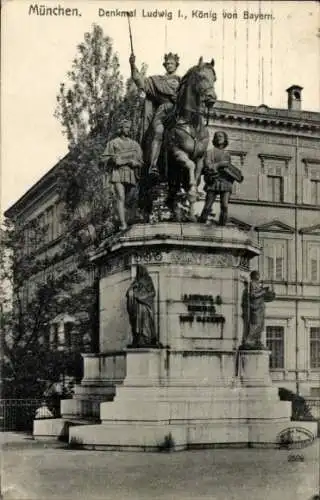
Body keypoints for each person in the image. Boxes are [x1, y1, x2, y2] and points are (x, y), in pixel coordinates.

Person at [129, 52, 181, 177]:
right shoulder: (157, 80)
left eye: (172, 63)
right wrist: (132, 65)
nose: (169, 65)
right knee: (158, 131)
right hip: (163, 111)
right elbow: (140, 81)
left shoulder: (182, 81)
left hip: (179, 112)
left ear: (176, 65)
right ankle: (153, 165)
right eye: (167, 63)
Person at [101, 119, 143, 230]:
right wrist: (112, 159)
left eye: (129, 127)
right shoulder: (113, 143)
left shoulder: (135, 145)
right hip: (118, 173)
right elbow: (103, 158)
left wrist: (136, 163)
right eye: (126, 127)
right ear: (120, 129)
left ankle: (129, 219)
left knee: (131, 198)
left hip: (131, 173)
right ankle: (123, 223)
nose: (128, 130)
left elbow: (141, 162)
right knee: (120, 196)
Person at [199, 131, 243, 226]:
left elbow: (230, 169)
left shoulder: (227, 154)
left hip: (226, 182)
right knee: (208, 205)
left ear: (225, 139)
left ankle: (222, 226)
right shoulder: (210, 152)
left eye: (221, 136)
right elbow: (208, 166)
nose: (219, 138)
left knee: (224, 206)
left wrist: (233, 174)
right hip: (213, 180)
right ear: (214, 139)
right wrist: (219, 164)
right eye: (217, 136)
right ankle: (200, 225)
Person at [126, 265, 158, 347]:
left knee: (146, 323)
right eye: (137, 271)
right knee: (137, 324)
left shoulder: (148, 279)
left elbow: (152, 293)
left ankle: (147, 340)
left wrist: (142, 297)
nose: (138, 272)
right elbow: (128, 293)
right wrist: (132, 289)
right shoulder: (135, 281)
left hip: (145, 306)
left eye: (139, 270)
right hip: (137, 307)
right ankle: (139, 339)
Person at [241, 270, 276, 348]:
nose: (259, 276)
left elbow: (262, 296)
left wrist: (269, 294)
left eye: (258, 274)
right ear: (254, 276)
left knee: (260, 325)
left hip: (260, 308)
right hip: (255, 308)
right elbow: (253, 295)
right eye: (257, 274)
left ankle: (256, 340)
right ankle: (249, 341)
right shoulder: (252, 284)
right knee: (255, 324)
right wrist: (263, 292)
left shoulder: (257, 285)